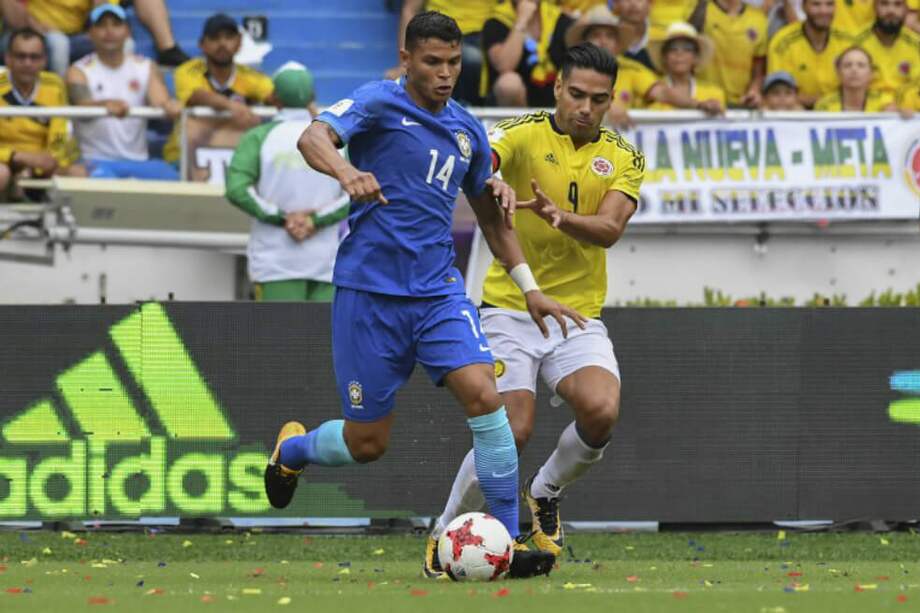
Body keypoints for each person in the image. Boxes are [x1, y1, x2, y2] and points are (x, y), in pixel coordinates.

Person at [264, 11, 585, 579]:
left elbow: (492, 214)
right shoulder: (378, 102)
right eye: (432, 62)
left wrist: (529, 288)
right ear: (407, 59)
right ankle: (291, 452)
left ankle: (506, 541)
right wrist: (344, 172)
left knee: (487, 400)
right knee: (368, 443)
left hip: (439, 291)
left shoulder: (465, 129)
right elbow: (313, 135)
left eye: (454, 63)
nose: (444, 74)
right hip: (369, 293)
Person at [425, 42, 645, 574]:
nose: (585, 108)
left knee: (601, 410)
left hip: (576, 315)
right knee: (511, 430)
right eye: (576, 95)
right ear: (557, 89)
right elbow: (487, 153)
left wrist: (560, 217)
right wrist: (491, 174)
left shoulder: (623, 155)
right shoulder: (524, 130)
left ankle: (544, 492)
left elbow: (611, 229)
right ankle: (443, 530)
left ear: (611, 101)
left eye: (598, 99)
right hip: (509, 307)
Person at [225, 65, 349, 302]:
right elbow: (356, 192)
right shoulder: (335, 140)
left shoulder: (257, 137)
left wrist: (283, 218)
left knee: (280, 338)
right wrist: (314, 220)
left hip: (274, 262)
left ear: (274, 98)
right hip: (327, 262)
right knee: (322, 339)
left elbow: (237, 189)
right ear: (312, 98)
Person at [66, 4, 180, 180]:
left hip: (139, 161)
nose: (109, 31)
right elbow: (83, 104)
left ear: (127, 31)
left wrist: (170, 105)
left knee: (173, 180)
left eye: (116, 24)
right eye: (101, 25)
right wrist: (105, 105)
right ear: (90, 33)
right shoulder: (78, 70)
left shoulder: (145, 66)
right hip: (96, 160)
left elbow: (160, 100)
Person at [565, 6, 722, 126]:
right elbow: (567, 104)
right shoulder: (570, 71)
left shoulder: (633, 70)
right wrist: (606, 107)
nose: (603, 41)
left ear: (618, 44)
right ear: (585, 43)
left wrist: (699, 104)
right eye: (596, 35)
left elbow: (662, 93)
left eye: (609, 36)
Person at [163, 13, 274, 166]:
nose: (222, 43)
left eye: (229, 37)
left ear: (239, 42)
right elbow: (197, 95)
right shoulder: (186, 71)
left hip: (232, 156)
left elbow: (273, 96)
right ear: (202, 44)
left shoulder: (250, 77)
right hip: (184, 157)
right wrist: (231, 106)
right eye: (215, 38)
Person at [0, 0, 189, 76]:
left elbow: (102, 11)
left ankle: (121, 92)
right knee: (59, 44)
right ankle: (59, 99)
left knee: (126, 43)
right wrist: (39, 29)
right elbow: (16, 17)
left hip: (78, 33)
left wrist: (95, 30)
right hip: (33, 31)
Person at [0, 27, 81, 194]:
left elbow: (61, 134)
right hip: (6, 161)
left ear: (44, 60)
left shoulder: (54, 85)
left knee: (78, 174)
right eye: (20, 56)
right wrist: (17, 157)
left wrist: (45, 162)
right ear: (8, 59)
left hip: (42, 162)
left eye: (34, 57)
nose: (27, 63)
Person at [386, 0, 494, 105]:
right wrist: (404, 65)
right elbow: (410, 9)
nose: (445, 73)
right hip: (434, 31)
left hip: (484, 34)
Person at [481, 0, 574, 106]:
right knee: (509, 83)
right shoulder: (496, 21)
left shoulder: (558, 18)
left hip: (554, 98)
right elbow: (505, 65)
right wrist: (522, 21)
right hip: (514, 107)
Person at [767, 0, 854, 108]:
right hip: (795, 111)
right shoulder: (783, 42)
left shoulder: (847, 42)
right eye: (816, 4)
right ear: (803, 7)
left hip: (838, 111)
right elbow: (777, 92)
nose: (824, 11)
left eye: (829, 4)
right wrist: (822, 101)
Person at [697, 0, 768, 108]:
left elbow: (758, 69)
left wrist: (754, 90)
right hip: (705, 101)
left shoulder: (758, 18)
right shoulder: (700, 9)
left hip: (741, 103)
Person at [647, 22, 727, 111]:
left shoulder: (714, 93)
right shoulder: (649, 89)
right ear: (664, 57)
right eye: (673, 49)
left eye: (687, 49)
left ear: (696, 58)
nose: (679, 54)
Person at [855, 0, 919, 97]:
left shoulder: (916, 45)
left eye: (897, 4)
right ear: (875, 8)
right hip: (868, 109)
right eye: (884, 4)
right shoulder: (856, 43)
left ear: (906, 10)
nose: (891, 11)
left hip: (907, 109)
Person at [814, 45, 897, 110]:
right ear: (838, 73)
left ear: (871, 73)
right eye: (847, 65)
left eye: (861, 65)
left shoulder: (884, 103)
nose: (854, 70)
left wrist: (900, 112)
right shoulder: (824, 106)